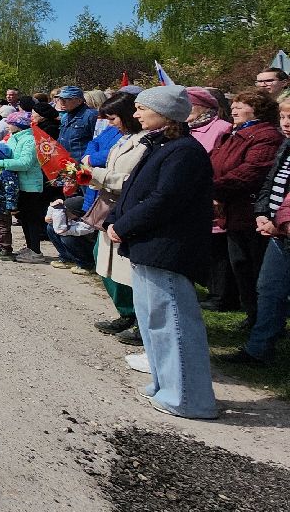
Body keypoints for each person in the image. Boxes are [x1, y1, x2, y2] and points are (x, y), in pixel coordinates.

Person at [106, 85, 219, 419]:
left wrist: (124, 226)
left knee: (174, 324)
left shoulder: (184, 151)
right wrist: (115, 218)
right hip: (148, 246)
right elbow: (134, 190)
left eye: (142, 108)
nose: (136, 114)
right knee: (154, 320)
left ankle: (188, 398)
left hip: (167, 247)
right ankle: (165, 386)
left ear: (166, 113)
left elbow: (164, 200)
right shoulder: (163, 145)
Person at [209, 89, 282, 333]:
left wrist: (214, 191)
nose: (235, 109)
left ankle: (265, 321)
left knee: (257, 268)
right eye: (235, 104)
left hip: (251, 212)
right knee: (240, 265)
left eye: (242, 105)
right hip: (231, 210)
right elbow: (216, 163)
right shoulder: (232, 133)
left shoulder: (266, 136)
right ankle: (252, 316)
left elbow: (251, 172)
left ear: (258, 110)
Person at [224, 93, 290, 365]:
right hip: (276, 230)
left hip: (282, 228)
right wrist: (262, 213)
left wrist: (280, 223)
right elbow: (270, 182)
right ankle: (259, 349)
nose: (286, 123)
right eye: (284, 116)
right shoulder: (287, 145)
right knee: (269, 288)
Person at [87, 93, 146, 340]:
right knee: (103, 259)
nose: (110, 123)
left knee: (126, 268)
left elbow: (136, 181)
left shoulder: (145, 143)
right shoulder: (125, 139)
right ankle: (126, 312)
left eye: (113, 118)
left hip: (127, 208)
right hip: (110, 205)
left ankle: (140, 319)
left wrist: (96, 175)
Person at [0, 110, 49, 263]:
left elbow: (25, 163)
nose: (7, 126)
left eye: (10, 123)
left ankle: (35, 251)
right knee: (24, 218)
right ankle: (30, 247)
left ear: (18, 125)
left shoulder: (29, 140)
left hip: (30, 185)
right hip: (18, 183)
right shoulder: (14, 138)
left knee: (31, 219)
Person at [55, 86, 98, 159]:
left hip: (82, 163)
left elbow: (97, 141)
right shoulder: (65, 117)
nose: (61, 102)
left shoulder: (91, 116)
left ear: (79, 101)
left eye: (66, 99)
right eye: (60, 99)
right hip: (66, 162)